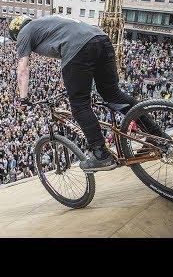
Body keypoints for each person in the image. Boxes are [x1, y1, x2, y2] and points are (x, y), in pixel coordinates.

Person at [9, 15, 161, 172]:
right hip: (102, 39)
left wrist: (23, 98)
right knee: (113, 94)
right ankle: (157, 135)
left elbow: (22, 68)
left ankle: (101, 155)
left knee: (80, 105)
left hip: (79, 48)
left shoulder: (23, 32)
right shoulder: (45, 23)